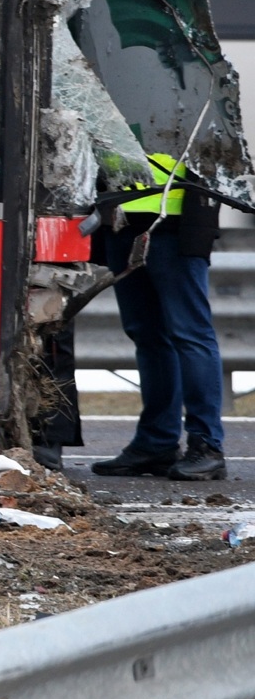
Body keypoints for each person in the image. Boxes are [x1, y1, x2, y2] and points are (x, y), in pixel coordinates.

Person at [91, 153, 227, 481]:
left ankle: (207, 445)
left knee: (189, 333)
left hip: (174, 219)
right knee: (147, 335)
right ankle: (157, 443)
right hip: (121, 215)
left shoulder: (180, 102)